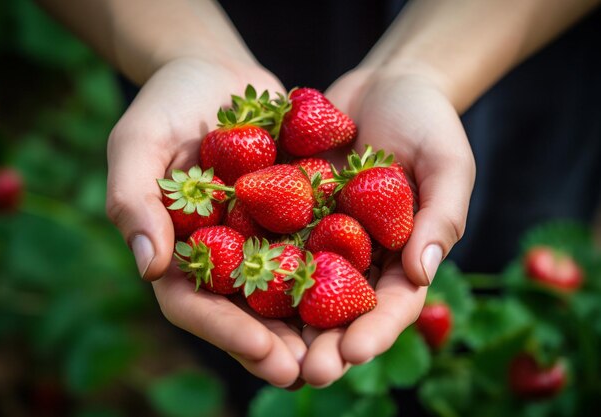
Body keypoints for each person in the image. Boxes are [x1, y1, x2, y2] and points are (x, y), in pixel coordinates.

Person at [37, 0, 601, 397]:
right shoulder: (252, 213)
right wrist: (179, 50)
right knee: (253, 358)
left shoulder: (285, 223)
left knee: (506, 242)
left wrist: (422, 71)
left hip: (517, 68)